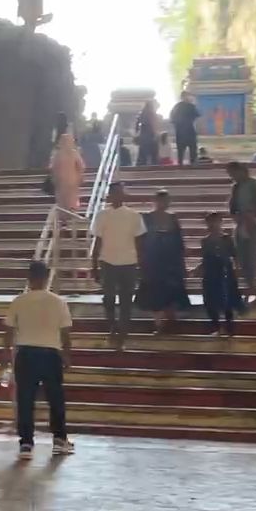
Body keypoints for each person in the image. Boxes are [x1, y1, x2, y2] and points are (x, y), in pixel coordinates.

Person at [0, 261, 74, 460]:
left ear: (29, 277)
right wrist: (67, 354)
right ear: (47, 276)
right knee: (55, 398)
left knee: (25, 399)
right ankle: (59, 439)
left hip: (25, 354)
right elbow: (65, 332)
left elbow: (8, 330)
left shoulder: (19, 301)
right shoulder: (58, 302)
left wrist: (5, 353)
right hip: (51, 354)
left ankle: (26, 443)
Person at [90, 182, 146, 348]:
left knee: (126, 299)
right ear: (110, 195)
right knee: (109, 297)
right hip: (108, 262)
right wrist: (93, 263)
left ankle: (123, 329)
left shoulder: (134, 215)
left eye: (120, 192)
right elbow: (98, 240)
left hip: (129, 262)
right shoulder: (102, 215)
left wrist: (141, 264)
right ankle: (112, 325)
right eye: (115, 193)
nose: (118, 196)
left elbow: (139, 241)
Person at [135, 190, 190, 333]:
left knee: (172, 291)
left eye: (166, 201)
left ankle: (172, 322)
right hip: (152, 260)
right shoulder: (146, 218)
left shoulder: (173, 218)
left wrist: (183, 263)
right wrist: (140, 259)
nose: (164, 204)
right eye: (161, 201)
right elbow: (140, 240)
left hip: (171, 261)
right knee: (155, 293)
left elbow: (179, 243)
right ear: (155, 201)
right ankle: (158, 324)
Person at [226, 161, 256, 307]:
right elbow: (232, 207)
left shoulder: (255, 184)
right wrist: (237, 216)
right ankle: (255, 294)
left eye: (233, 173)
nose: (232, 177)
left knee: (251, 260)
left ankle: (251, 295)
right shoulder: (235, 187)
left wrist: (253, 214)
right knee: (241, 260)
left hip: (255, 225)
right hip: (241, 224)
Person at [197, 212, 245, 337]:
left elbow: (235, 256)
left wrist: (237, 269)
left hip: (225, 273)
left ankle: (229, 328)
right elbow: (205, 260)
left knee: (227, 300)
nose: (213, 225)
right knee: (210, 301)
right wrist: (197, 270)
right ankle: (216, 327)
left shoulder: (227, 239)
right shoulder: (205, 241)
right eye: (210, 222)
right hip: (210, 274)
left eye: (216, 222)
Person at [50, 112, 85, 212]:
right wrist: (80, 175)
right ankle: (71, 215)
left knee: (62, 200)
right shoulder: (74, 153)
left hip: (61, 181)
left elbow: (53, 167)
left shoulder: (57, 154)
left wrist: (54, 178)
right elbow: (81, 166)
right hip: (72, 181)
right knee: (71, 200)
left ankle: (62, 219)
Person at [170, 93, 201, 166]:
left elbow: (172, 119)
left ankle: (180, 164)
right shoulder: (191, 106)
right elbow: (197, 116)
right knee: (192, 148)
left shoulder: (176, 107)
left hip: (180, 132)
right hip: (190, 131)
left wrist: (177, 125)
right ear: (185, 97)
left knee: (181, 150)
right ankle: (193, 163)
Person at [135, 101, 160, 166]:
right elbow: (154, 125)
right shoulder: (151, 114)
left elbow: (137, 126)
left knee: (143, 154)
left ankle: (141, 165)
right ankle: (154, 165)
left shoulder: (142, 114)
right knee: (153, 154)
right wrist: (156, 134)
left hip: (143, 136)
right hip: (151, 136)